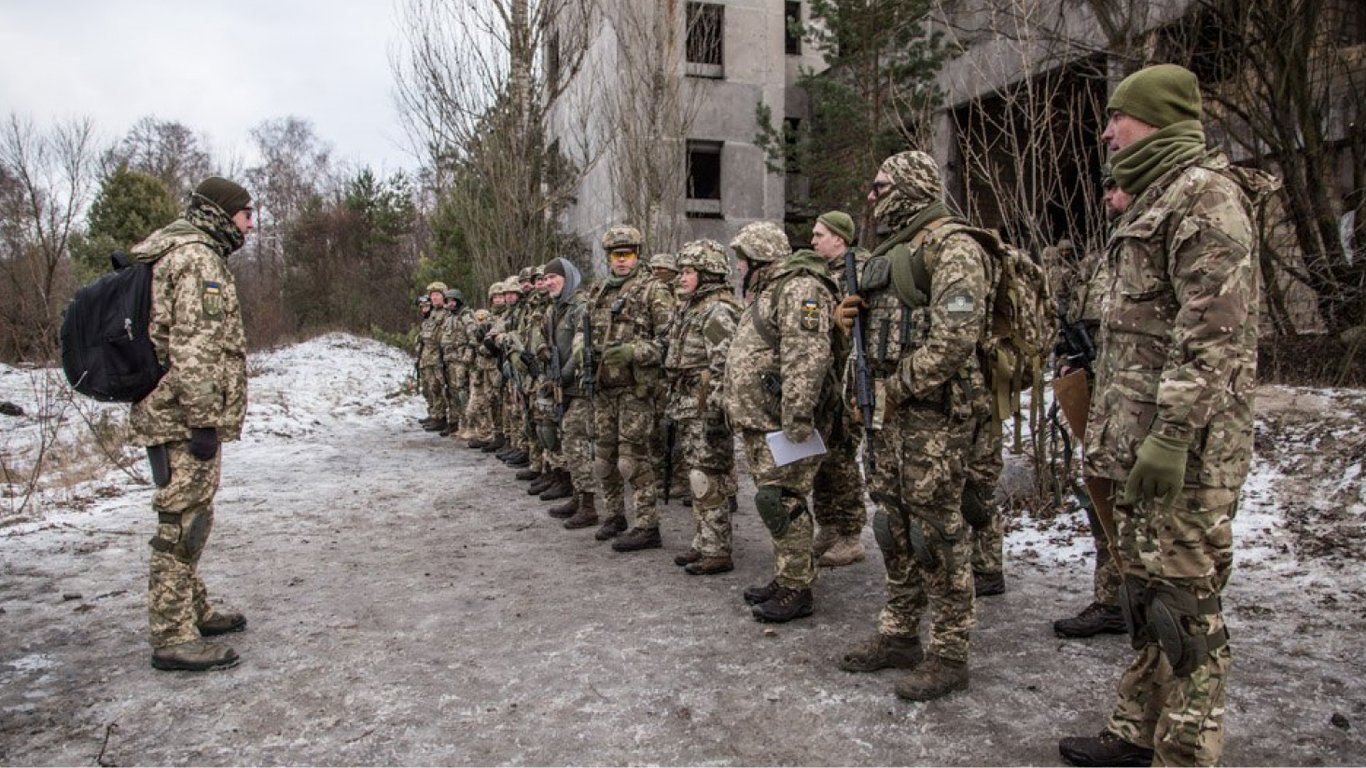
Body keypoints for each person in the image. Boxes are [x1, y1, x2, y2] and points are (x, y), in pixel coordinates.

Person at [1058, 64, 1277, 767]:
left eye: (1118, 116)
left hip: (1188, 453)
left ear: (1157, 119)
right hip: (1143, 446)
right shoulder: (1159, 199)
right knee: (1146, 599)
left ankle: (1185, 753)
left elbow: (1214, 335)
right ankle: (1134, 731)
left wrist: (1174, 435)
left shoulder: (1205, 198)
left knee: (1183, 609)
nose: (1106, 130)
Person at [833, 151, 994, 701]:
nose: (872, 196)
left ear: (908, 187)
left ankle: (950, 652)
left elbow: (953, 340)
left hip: (932, 416)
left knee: (937, 531)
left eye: (880, 187)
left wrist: (893, 389)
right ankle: (900, 632)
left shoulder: (954, 246)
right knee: (893, 525)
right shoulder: (886, 254)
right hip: (886, 418)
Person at [126, 176, 254, 671]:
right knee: (183, 522)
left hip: (169, 411)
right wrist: (204, 421)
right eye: (245, 213)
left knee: (190, 515)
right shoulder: (197, 258)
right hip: (184, 417)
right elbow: (194, 346)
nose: (250, 223)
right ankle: (172, 634)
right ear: (221, 213)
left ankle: (189, 608)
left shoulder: (168, 250)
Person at [724, 221, 838, 622]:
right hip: (762, 419)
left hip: (783, 422)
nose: (738, 269)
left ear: (759, 259)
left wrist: (798, 417)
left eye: (742, 261)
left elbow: (807, 357)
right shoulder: (770, 291)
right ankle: (788, 574)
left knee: (782, 501)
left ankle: (797, 589)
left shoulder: (798, 289)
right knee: (774, 499)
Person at [1052, 182, 1127, 639]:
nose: (1107, 198)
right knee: (1101, 497)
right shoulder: (1103, 261)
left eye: (1116, 188)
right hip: (1101, 394)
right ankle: (1113, 599)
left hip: (1134, 404)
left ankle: (1139, 601)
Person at [582, 225, 676, 551]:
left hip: (636, 390)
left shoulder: (654, 291)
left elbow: (669, 344)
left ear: (638, 254)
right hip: (604, 389)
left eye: (628, 254)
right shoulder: (599, 292)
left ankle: (647, 525)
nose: (622, 261)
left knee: (632, 461)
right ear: (608, 257)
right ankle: (614, 516)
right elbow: (589, 334)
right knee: (603, 460)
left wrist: (634, 351)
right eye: (616, 255)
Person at [663, 240, 743, 574]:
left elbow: (724, 365)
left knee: (707, 477)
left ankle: (716, 550)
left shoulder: (716, 310)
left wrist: (716, 412)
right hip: (689, 404)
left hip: (705, 406)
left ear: (708, 273)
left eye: (688, 272)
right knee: (698, 475)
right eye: (681, 271)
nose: (681, 277)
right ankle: (703, 541)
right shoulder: (693, 307)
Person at [807, 210, 870, 569]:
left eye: (820, 235)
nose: (813, 241)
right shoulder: (824, 273)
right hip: (826, 380)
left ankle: (850, 534)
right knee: (822, 456)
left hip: (848, 379)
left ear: (840, 240)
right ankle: (828, 526)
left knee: (844, 457)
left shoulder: (857, 272)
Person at [418, 281, 450, 432]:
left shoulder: (446, 313)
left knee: (440, 388)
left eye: (437, 295)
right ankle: (436, 415)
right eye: (433, 295)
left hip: (440, 357)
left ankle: (443, 417)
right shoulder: (433, 314)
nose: (435, 298)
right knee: (432, 388)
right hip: (429, 357)